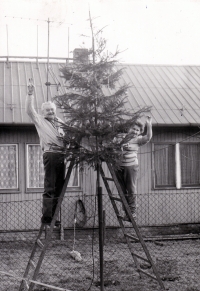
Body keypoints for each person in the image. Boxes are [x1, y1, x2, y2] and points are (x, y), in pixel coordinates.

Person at [26, 80, 66, 226]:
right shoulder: (40, 121)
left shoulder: (60, 122)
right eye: (48, 110)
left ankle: (54, 216)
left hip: (62, 155)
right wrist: (30, 94)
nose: (51, 111)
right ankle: (47, 216)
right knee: (50, 186)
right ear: (43, 112)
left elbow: (68, 136)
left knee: (59, 187)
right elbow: (30, 111)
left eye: (52, 109)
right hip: (50, 154)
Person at [114, 116, 152, 221]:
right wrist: (120, 146)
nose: (135, 131)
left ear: (140, 132)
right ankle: (127, 213)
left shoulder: (138, 140)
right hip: (118, 166)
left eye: (137, 130)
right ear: (129, 128)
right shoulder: (120, 136)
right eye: (133, 129)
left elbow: (148, 138)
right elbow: (112, 146)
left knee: (130, 189)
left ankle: (133, 212)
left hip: (131, 166)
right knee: (121, 190)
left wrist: (149, 125)